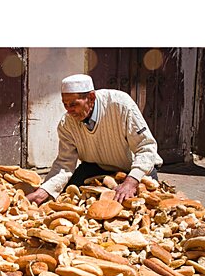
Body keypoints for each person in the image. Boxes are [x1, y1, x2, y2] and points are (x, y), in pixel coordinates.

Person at [25, 74, 163, 205]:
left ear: (91, 97)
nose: (69, 110)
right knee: (69, 193)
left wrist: (131, 181)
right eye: (65, 104)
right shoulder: (66, 124)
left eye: (73, 104)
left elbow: (146, 146)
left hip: (132, 167)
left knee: (139, 201)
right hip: (97, 166)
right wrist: (45, 191)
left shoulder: (120, 104)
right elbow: (64, 163)